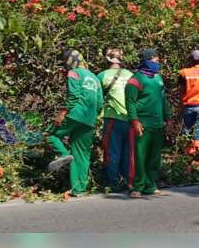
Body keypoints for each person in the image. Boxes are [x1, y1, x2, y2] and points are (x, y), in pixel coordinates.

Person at [47, 49, 104, 197]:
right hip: (89, 119)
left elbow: (73, 95)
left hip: (75, 114)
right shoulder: (95, 78)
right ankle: (79, 189)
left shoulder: (73, 73)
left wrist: (63, 112)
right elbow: (99, 103)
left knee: (51, 135)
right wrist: (92, 116)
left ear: (71, 61)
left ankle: (64, 154)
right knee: (82, 153)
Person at [126, 49, 171, 198]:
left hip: (157, 123)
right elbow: (130, 103)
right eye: (155, 60)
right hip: (142, 123)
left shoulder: (158, 79)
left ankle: (150, 186)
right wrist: (134, 121)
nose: (158, 63)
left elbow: (164, 100)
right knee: (139, 156)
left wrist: (168, 118)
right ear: (146, 61)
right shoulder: (135, 80)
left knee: (154, 157)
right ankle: (136, 187)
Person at [97, 49, 134, 190]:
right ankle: (126, 180)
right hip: (130, 119)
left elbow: (98, 98)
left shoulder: (102, 75)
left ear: (108, 59)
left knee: (112, 150)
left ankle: (112, 182)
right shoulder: (131, 75)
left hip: (113, 118)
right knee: (127, 151)